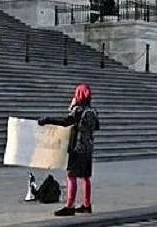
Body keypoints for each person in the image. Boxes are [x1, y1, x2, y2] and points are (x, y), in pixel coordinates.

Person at [38, 83, 100, 217]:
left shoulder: (78, 110)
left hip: (77, 147)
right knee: (85, 177)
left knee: (71, 176)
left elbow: (66, 122)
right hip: (88, 147)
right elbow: (97, 127)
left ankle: (70, 206)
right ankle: (87, 205)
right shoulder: (93, 111)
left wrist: (49, 120)